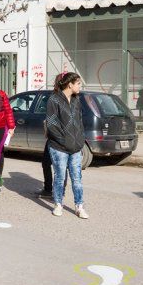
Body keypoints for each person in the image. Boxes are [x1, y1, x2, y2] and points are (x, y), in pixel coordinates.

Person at [46, 72, 87, 219]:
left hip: (76, 148)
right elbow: (51, 125)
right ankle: (58, 204)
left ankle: (79, 206)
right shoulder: (54, 100)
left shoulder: (76, 100)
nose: (80, 86)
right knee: (60, 177)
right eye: (78, 84)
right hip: (59, 148)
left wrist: (80, 140)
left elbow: (80, 122)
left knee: (77, 178)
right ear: (70, 84)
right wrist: (64, 141)